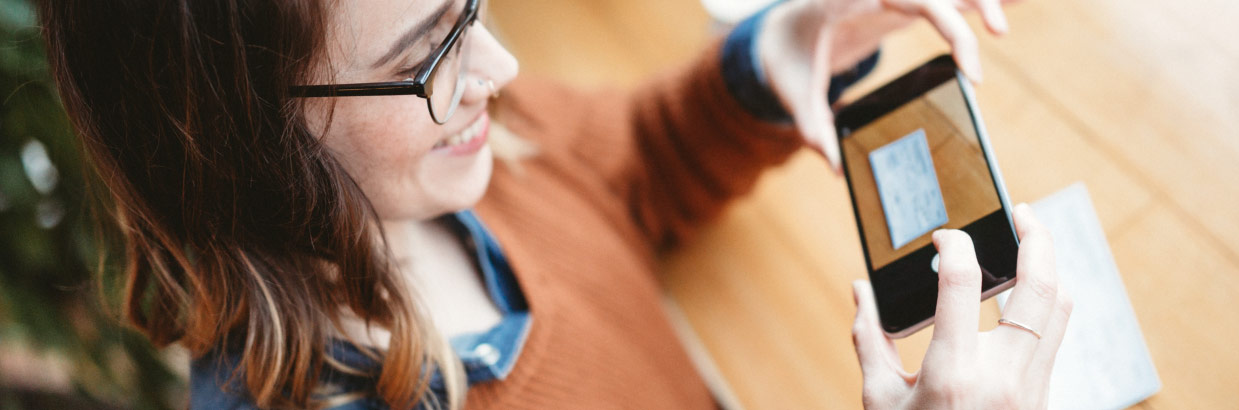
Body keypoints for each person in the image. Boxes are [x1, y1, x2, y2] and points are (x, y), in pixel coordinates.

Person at [39, 0, 1069, 408]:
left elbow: (630, 160)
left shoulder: (451, 148)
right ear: (234, 136)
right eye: (431, 52)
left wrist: (784, 50)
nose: (501, 62)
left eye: (470, 6)